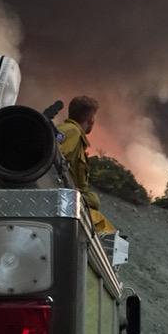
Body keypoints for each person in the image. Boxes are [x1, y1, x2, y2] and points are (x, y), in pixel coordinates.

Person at [58, 95, 116, 234]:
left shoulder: (66, 129)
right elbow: (54, 157)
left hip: (67, 197)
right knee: (106, 231)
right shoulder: (72, 132)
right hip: (64, 198)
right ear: (91, 119)